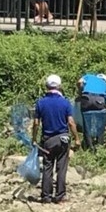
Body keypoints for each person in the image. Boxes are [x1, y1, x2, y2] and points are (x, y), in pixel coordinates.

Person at [31, 74, 78, 204]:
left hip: (48, 140)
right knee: (61, 168)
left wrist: (34, 138)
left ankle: (46, 196)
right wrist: (77, 138)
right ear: (59, 86)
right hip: (63, 139)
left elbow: (36, 123)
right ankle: (60, 195)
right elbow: (71, 122)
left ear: (46, 86)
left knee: (48, 167)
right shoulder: (65, 102)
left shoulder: (40, 103)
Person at [75, 72, 106, 150]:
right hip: (99, 100)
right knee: (100, 123)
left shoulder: (88, 76)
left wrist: (80, 92)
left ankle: (89, 147)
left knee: (86, 123)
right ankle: (99, 145)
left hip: (86, 99)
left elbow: (79, 82)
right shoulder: (105, 84)